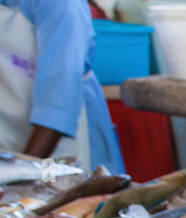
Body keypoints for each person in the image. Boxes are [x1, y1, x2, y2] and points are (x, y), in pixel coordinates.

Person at [0, 0, 125, 173]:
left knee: (54, 191)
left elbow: (57, 109)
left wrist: (19, 177)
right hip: (11, 141)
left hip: (55, 146)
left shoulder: (61, 4)